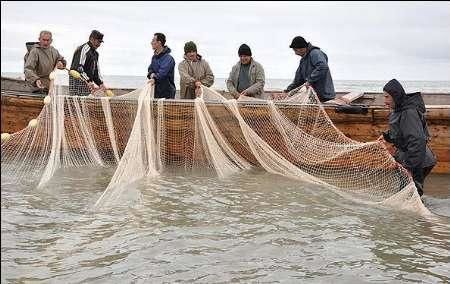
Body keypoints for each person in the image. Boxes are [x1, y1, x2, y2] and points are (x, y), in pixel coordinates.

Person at [380, 79, 436, 197]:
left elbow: (417, 140)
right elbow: (402, 132)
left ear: (396, 96)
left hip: (418, 161)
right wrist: (387, 136)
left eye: (387, 97)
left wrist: (410, 168)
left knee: (409, 196)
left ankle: (422, 216)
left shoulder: (409, 112)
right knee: (406, 195)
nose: (385, 101)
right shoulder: (399, 109)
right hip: (410, 159)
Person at [276, 36, 335, 102]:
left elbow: (322, 67)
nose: (295, 53)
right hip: (313, 96)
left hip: (325, 95)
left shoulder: (315, 53)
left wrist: (310, 80)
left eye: (295, 50)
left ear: (301, 48)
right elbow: (298, 81)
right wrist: (287, 92)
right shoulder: (303, 61)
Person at [69, 30, 107, 96]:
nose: (99, 44)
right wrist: (88, 81)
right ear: (91, 39)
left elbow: (96, 71)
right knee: (78, 103)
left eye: (101, 42)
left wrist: (101, 84)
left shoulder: (96, 54)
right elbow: (79, 68)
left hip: (88, 84)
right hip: (77, 82)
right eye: (98, 41)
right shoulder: (83, 49)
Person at [147, 33, 176, 99]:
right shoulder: (154, 57)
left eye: (153, 40)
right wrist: (151, 74)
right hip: (156, 92)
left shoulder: (168, 58)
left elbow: (162, 73)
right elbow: (150, 69)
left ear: (159, 42)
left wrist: (154, 77)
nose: (151, 42)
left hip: (167, 94)